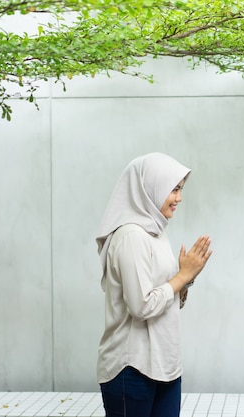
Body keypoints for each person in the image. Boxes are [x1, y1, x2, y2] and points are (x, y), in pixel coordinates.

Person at [95, 152, 213, 417]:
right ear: (151, 187)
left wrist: (187, 278)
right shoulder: (131, 236)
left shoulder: (156, 232)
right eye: (174, 189)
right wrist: (181, 276)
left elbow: (168, 297)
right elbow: (141, 306)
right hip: (132, 368)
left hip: (164, 364)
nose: (179, 198)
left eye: (180, 189)